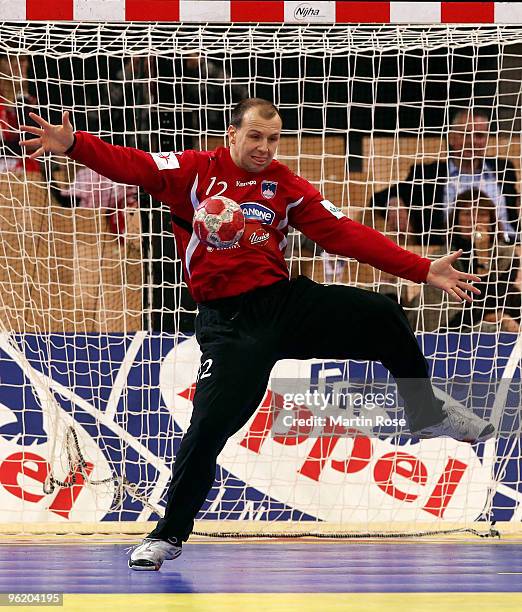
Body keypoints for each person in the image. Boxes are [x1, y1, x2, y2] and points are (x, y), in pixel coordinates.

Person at [20, 98, 494, 571]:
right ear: (232, 133)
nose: (265, 147)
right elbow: (135, 165)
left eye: (273, 138)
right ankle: (166, 537)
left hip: (283, 303)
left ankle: (425, 414)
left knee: (382, 314)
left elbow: (344, 233)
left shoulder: (285, 186)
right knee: (208, 429)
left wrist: (421, 268)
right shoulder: (194, 171)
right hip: (230, 325)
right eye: (255, 136)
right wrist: (75, 145)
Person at [371, 108, 520, 245]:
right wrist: (395, 202)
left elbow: (515, 203)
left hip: (505, 249)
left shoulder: (503, 169)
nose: (472, 141)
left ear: (486, 140)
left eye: (479, 136)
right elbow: (379, 197)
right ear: (452, 138)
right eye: (465, 134)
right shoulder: (427, 174)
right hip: (446, 252)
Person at [407, 188, 521, 333]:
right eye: (467, 213)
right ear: (456, 219)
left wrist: (482, 252)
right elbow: (447, 316)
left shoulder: (506, 255)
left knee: (515, 298)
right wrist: (499, 318)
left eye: (482, 214)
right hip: (448, 327)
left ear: (491, 220)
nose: (474, 219)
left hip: (484, 317)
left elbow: (493, 301)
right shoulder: (441, 258)